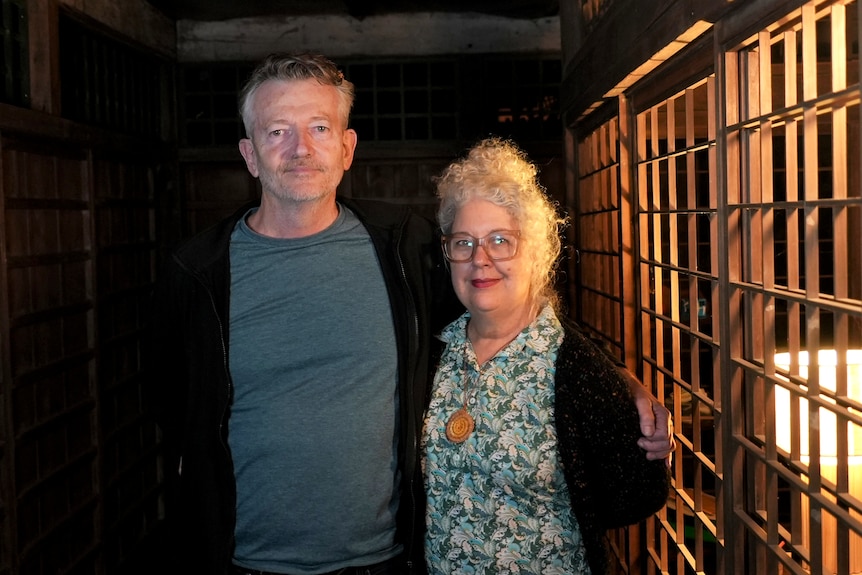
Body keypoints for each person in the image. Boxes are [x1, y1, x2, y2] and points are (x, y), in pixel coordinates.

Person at [150, 53, 673, 575]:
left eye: (319, 127)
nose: (300, 148)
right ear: (249, 153)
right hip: (243, 563)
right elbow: (174, 414)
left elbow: (505, 310)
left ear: (347, 146)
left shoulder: (404, 247)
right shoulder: (196, 272)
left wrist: (615, 381)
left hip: (386, 562)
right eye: (277, 131)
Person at [422, 137, 671, 575]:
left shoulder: (576, 367)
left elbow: (636, 496)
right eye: (463, 243)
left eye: (501, 241)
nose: (480, 259)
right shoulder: (432, 353)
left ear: (536, 251)